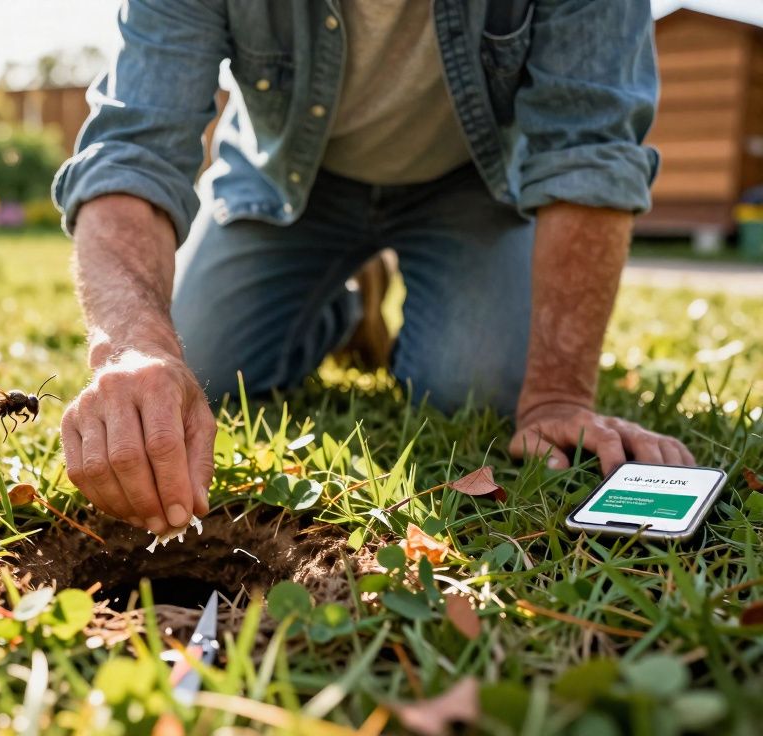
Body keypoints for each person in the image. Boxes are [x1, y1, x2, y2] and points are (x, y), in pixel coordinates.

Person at [52, 0, 695, 537]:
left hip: (471, 183)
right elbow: (131, 148)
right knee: (206, 369)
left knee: (471, 386)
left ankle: (373, 281)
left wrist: (560, 393)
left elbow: (589, 147)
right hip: (286, 181)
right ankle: (348, 304)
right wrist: (134, 347)